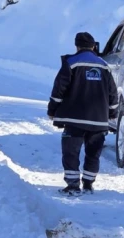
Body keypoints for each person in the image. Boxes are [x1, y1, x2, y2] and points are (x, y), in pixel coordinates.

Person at [48, 32, 119, 196]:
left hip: (73, 120)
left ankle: (73, 185)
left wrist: (52, 110)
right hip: (99, 120)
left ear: (77, 46)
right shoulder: (104, 65)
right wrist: (112, 112)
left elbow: (59, 90)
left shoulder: (71, 63)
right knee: (93, 154)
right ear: (94, 46)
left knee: (71, 152)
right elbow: (112, 93)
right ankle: (88, 184)